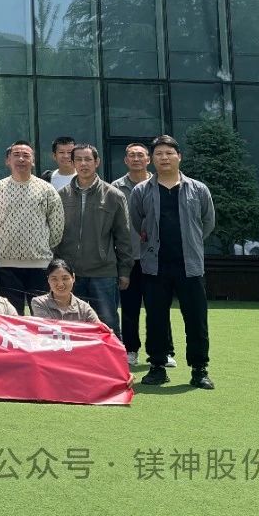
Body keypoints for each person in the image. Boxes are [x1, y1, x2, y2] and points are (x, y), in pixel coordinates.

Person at [130, 135, 216, 389]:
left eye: (169, 153)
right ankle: (157, 367)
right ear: (152, 159)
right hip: (155, 265)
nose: (164, 158)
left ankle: (199, 369)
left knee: (196, 319)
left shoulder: (198, 189)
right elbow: (137, 221)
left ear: (179, 156)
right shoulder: (141, 190)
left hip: (189, 265)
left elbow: (207, 223)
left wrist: (191, 242)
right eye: (159, 154)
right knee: (156, 318)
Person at [53, 143, 133, 336]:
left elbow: (123, 236)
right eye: (79, 160)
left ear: (97, 162)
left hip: (103, 272)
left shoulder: (113, 195)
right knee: (71, 325)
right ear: (73, 163)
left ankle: (113, 356)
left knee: (107, 323)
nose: (83, 164)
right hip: (70, 273)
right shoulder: (61, 195)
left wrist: (124, 271)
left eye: (88, 159)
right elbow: (54, 234)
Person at [0, 140, 64, 315]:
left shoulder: (47, 190)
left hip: (40, 263)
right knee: (12, 317)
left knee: (42, 316)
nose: (21, 159)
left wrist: (41, 244)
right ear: (8, 160)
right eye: (16, 155)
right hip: (7, 263)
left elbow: (57, 224)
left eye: (26, 155)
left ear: (33, 161)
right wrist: (7, 238)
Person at [111, 142, 170, 366]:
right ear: (126, 160)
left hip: (156, 256)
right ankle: (131, 349)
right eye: (131, 155)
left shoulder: (161, 184)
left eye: (140, 155)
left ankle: (166, 350)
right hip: (128, 258)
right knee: (129, 307)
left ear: (148, 159)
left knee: (159, 306)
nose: (136, 159)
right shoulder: (115, 188)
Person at [30, 259, 102, 323]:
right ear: (48, 280)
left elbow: (100, 329)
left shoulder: (84, 308)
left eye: (65, 278)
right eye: (54, 279)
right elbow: (47, 328)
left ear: (73, 278)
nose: (60, 284)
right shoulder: (39, 303)